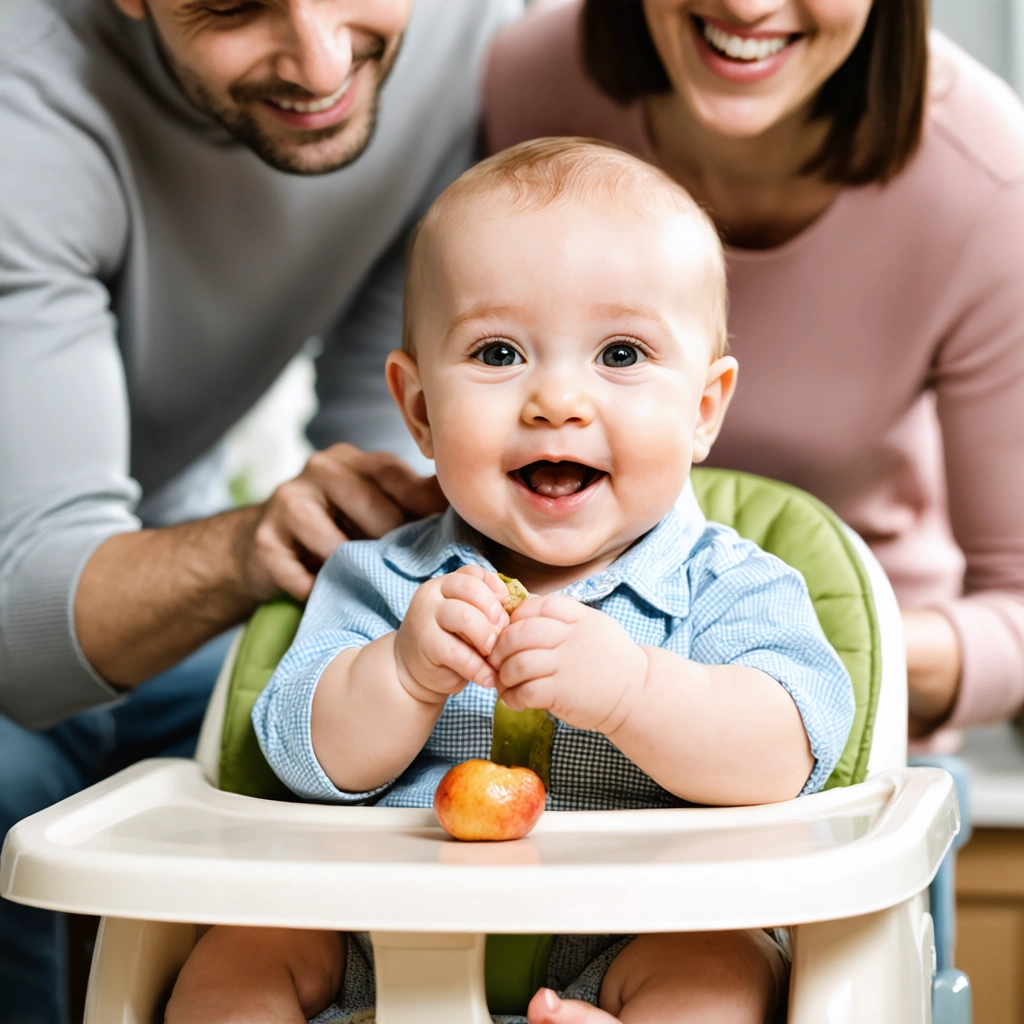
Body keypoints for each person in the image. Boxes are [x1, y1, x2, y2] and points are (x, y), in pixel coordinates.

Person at [165, 138, 854, 1024]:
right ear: (417, 409)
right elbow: (296, 753)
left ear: (704, 409)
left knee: (720, 977)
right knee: (237, 958)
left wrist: (634, 690)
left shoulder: (735, 584)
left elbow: (792, 752)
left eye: (620, 354)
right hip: (379, 938)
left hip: (636, 932)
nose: (556, 400)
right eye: (497, 354)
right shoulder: (379, 579)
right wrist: (403, 673)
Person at [0, 0, 519, 1018]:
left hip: (157, 579)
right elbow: (26, 636)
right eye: (236, 6)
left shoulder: (473, 37)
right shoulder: (26, 109)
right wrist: (252, 543)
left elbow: (398, 436)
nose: (323, 63)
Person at [482, 0, 1024, 750]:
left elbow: (1017, 608)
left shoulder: (991, 182)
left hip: (846, 736)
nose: (746, 5)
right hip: (523, 710)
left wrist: (780, 640)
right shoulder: (525, 81)